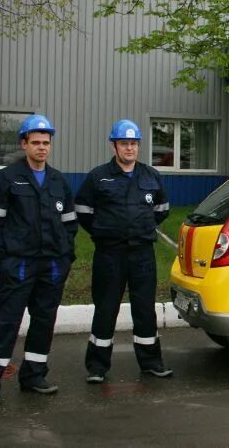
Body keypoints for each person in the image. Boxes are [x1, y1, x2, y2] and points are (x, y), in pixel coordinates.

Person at [0, 114, 78, 406]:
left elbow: (69, 223)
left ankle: (33, 376)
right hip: (18, 264)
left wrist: (66, 256)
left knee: (44, 321)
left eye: (46, 143)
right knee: (6, 321)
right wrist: (3, 257)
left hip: (52, 265)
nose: (42, 148)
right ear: (24, 144)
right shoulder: (7, 179)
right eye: (36, 142)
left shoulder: (59, 181)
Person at [75, 119, 172, 383]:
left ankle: (151, 363)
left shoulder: (151, 176)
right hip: (110, 254)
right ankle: (97, 367)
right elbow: (83, 210)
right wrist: (103, 231)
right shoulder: (98, 176)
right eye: (124, 144)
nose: (129, 148)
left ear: (138, 146)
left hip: (142, 254)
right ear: (114, 146)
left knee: (144, 309)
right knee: (106, 309)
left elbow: (162, 210)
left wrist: (141, 227)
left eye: (133, 144)